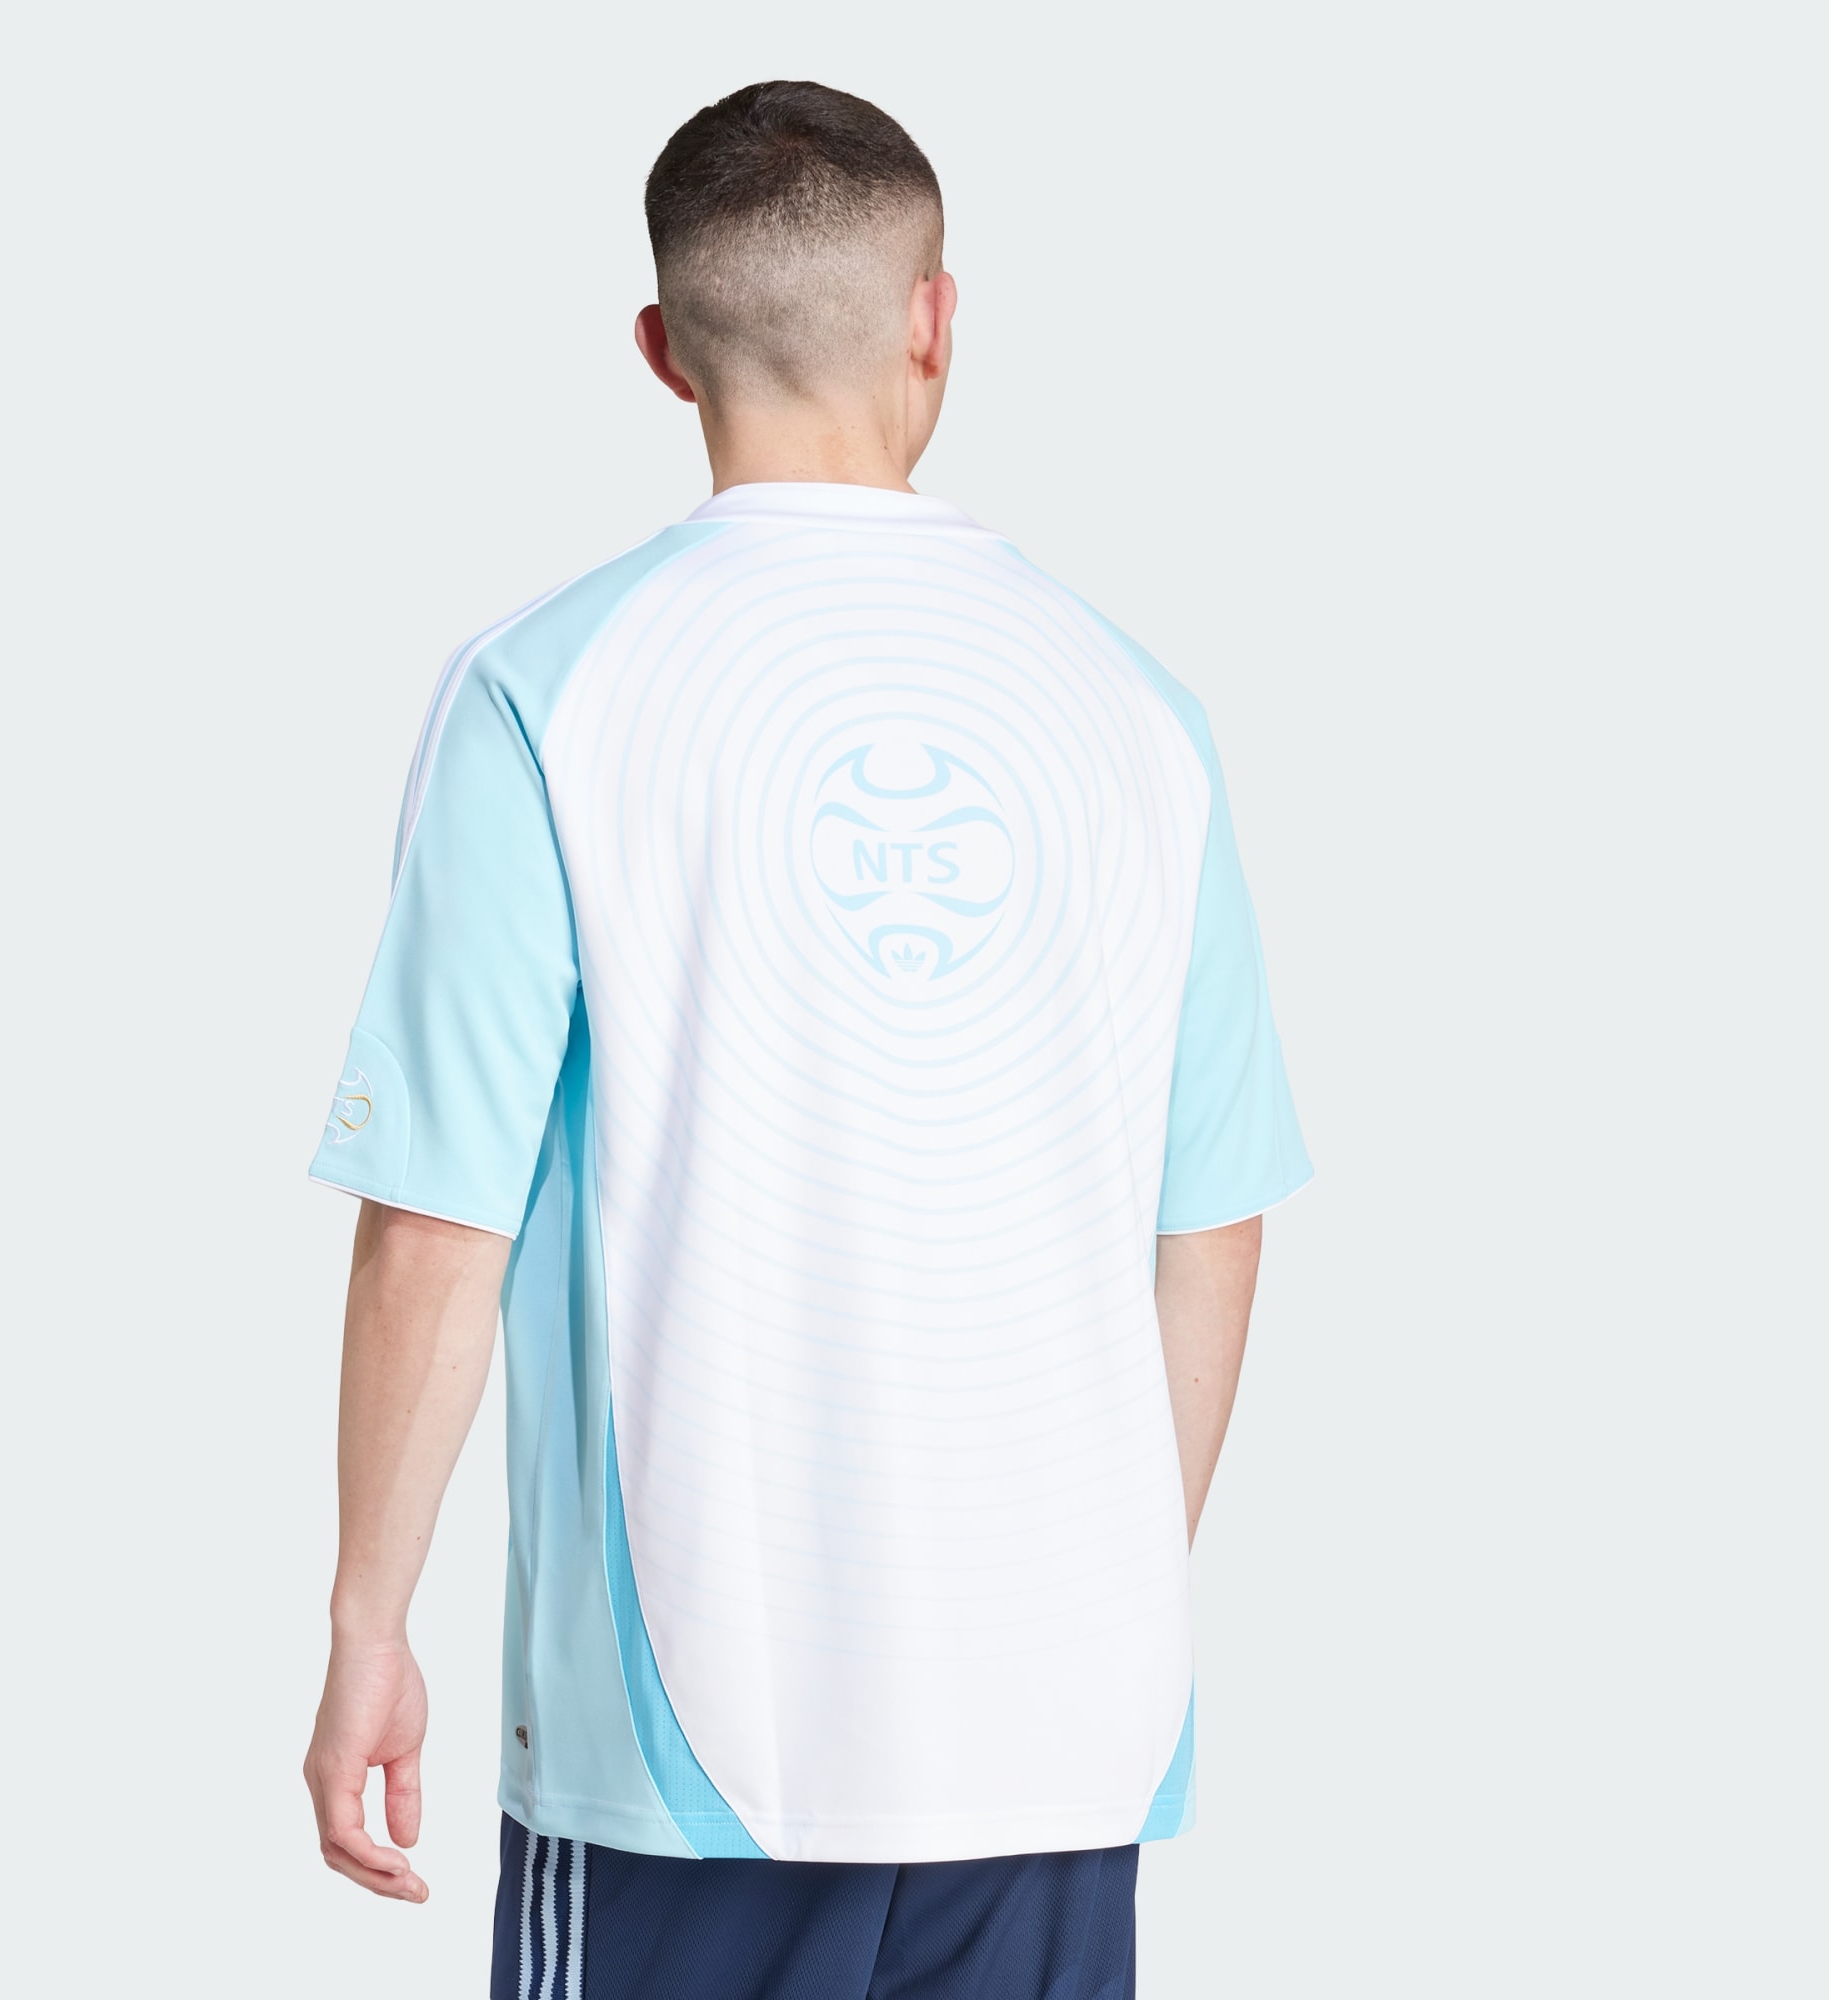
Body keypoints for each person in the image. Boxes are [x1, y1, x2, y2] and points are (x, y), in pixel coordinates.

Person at [302, 78, 1309, 2000]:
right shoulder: (1136, 710)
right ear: (939, 320)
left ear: (664, 350)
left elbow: (435, 1223)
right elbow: (1215, 1231)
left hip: (693, 1742)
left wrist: (368, 1624)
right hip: (1060, 1731)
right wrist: (1085, 1610)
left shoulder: (548, 690)